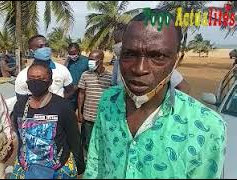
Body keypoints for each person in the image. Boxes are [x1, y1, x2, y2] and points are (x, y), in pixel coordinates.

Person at [84, 9, 226, 179]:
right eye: (129, 54)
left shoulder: (207, 126)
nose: (139, 69)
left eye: (157, 56)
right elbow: (96, 165)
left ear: (177, 60)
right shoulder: (109, 101)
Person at [11, 62, 85, 179]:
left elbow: (74, 138)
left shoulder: (62, 106)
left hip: (57, 169)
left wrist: (80, 165)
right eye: (31, 78)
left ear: (50, 82)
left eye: (41, 78)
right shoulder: (20, 106)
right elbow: (20, 137)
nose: (35, 81)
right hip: (26, 169)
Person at [111, 25, 191, 94]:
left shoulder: (162, 67)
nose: (140, 69)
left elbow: (184, 87)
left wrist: (171, 108)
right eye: (115, 43)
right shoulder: (118, 63)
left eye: (119, 43)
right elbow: (114, 85)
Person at [15, 35, 75, 99]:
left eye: (47, 45)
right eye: (40, 46)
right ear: (31, 51)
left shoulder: (62, 69)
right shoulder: (23, 75)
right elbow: (21, 99)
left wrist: (60, 103)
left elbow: (70, 90)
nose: (45, 48)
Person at [77, 50, 112, 153]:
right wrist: (79, 112)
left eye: (92, 60)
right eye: (89, 60)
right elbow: (81, 94)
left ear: (100, 61)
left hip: (103, 117)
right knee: (87, 143)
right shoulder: (85, 75)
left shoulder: (110, 77)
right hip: (88, 117)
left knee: (102, 143)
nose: (90, 62)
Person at [65, 43, 89, 111]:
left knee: (82, 111)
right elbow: (63, 71)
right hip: (71, 92)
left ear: (78, 51)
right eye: (70, 54)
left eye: (74, 54)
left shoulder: (86, 60)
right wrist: (67, 61)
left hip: (83, 91)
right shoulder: (68, 61)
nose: (72, 56)